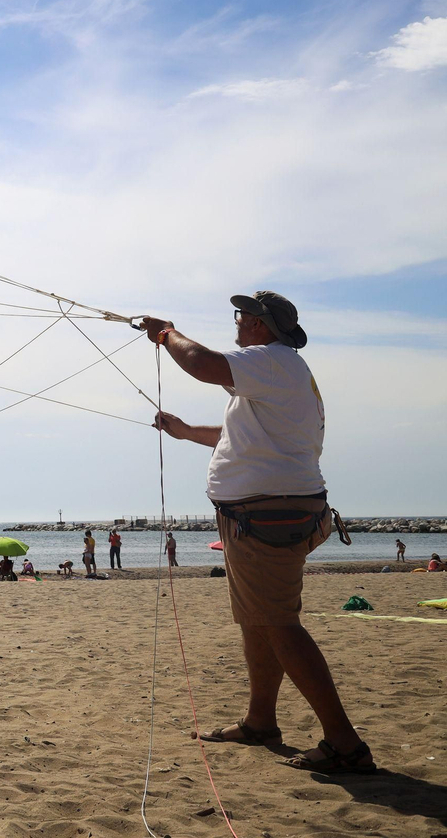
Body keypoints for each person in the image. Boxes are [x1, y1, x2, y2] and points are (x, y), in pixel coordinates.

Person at [145, 292, 372, 774]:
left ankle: (345, 742)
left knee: (277, 622)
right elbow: (239, 438)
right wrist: (186, 432)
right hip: (262, 515)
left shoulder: (270, 361)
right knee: (258, 621)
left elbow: (203, 363)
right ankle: (260, 722)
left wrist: (166, 333)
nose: (239, 322)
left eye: (243, 316)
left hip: (266, 518)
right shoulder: (278, 371)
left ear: (262, 327)